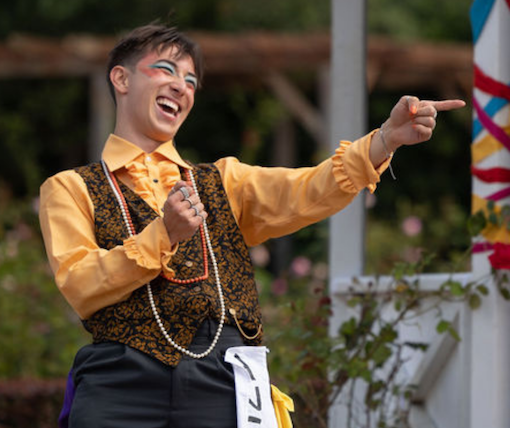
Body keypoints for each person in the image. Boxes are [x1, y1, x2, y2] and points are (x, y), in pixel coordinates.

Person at [38, 23, 465, 428]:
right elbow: (81, 284)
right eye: (166, 70)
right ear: (121, 78)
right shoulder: (70, 188)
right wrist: (163, 235)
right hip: (119, 381)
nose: (181, 86)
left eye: (191, 80)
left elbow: (307, 189)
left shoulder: (224, 181)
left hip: (223, 377)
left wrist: (385, 140)